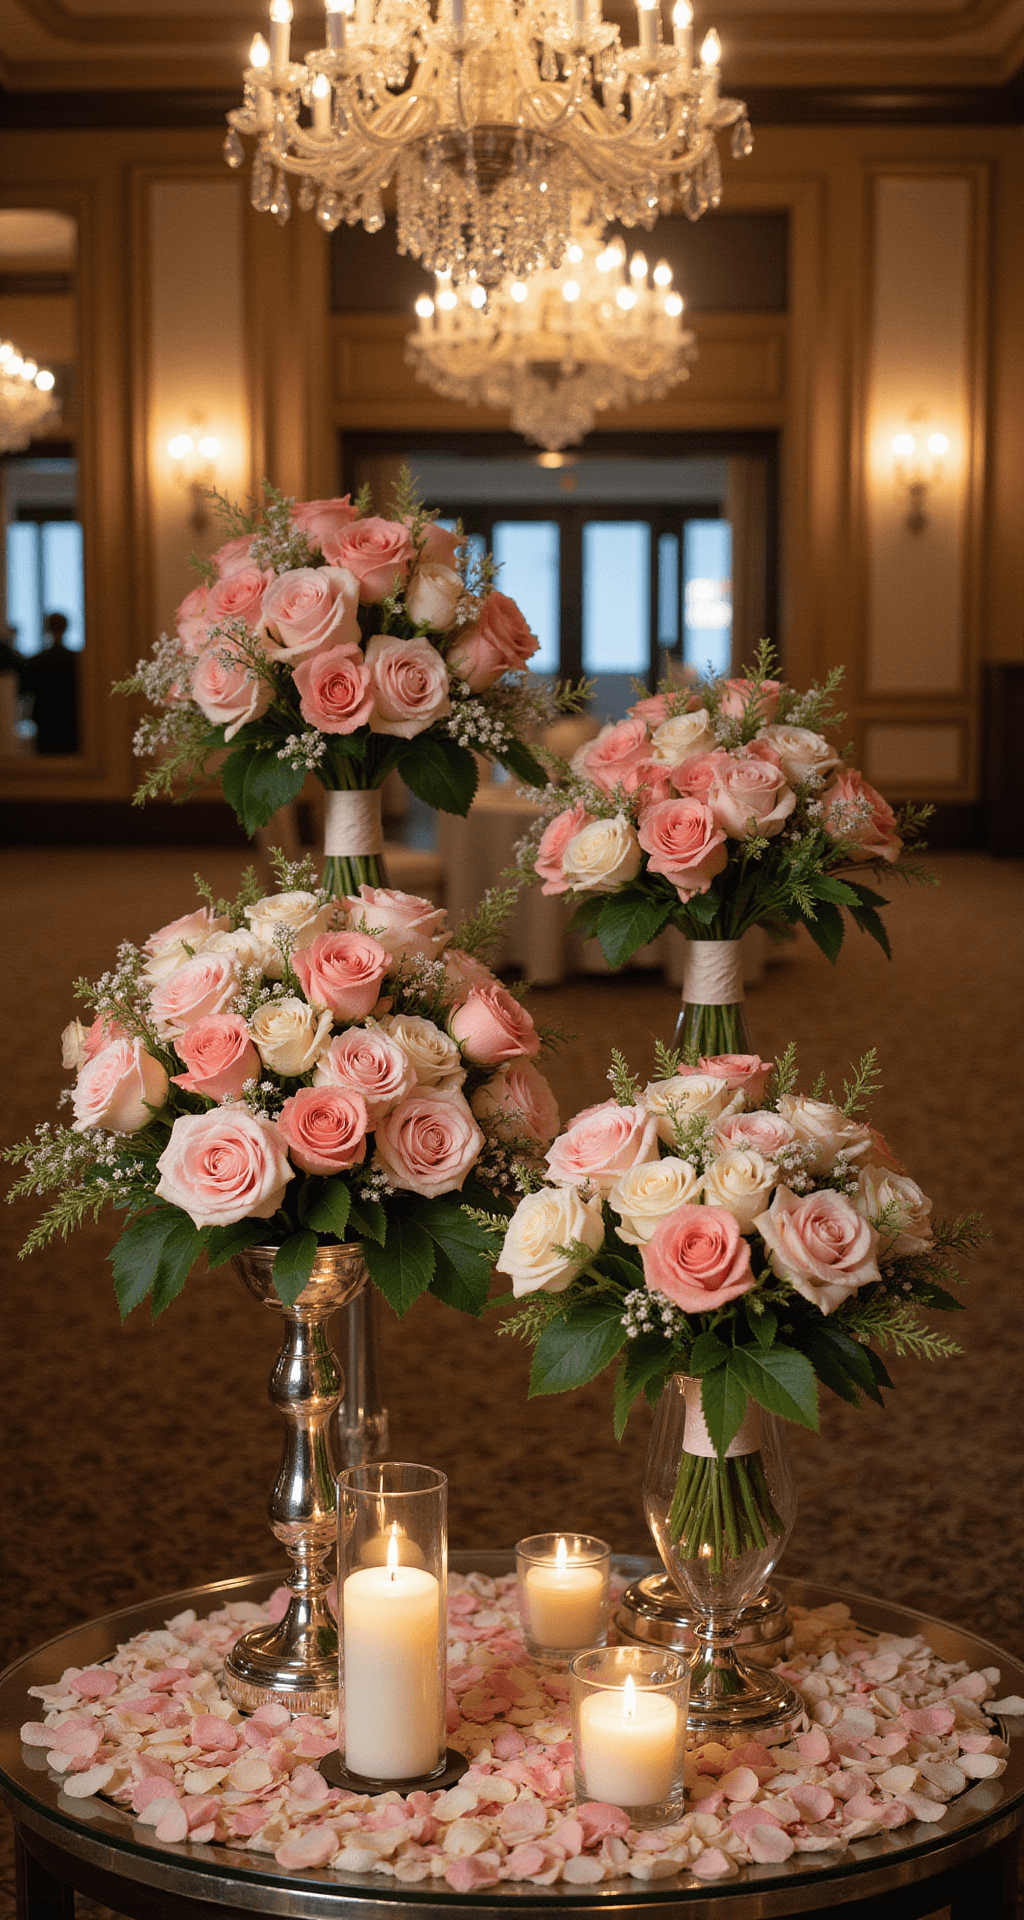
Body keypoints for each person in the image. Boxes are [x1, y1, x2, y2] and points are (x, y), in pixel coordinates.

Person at [19, 611, 80, 754]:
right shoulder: (76, 661)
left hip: (45, 721)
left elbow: (24, 690)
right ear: (66, 628)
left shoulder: (37, 661)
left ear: (47, 628)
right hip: (70, 721)